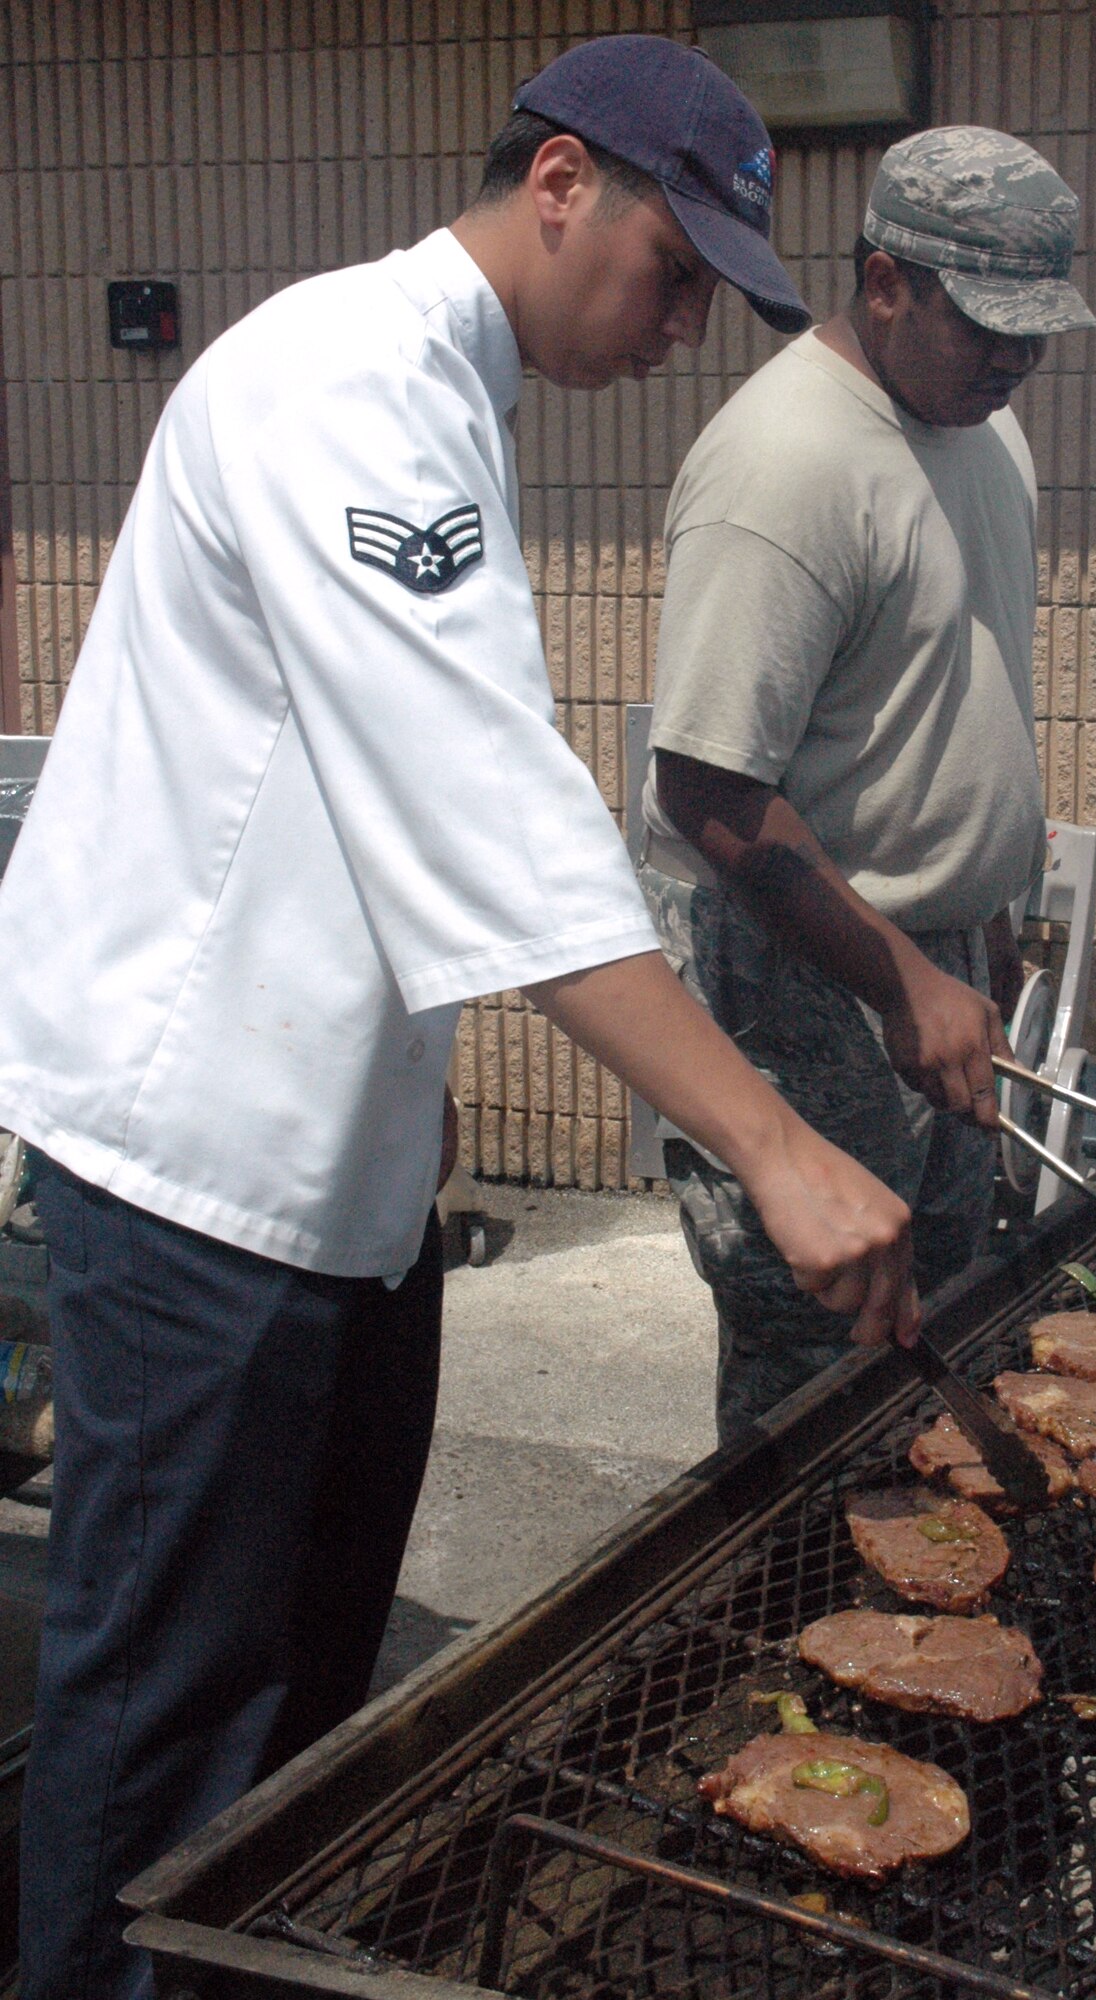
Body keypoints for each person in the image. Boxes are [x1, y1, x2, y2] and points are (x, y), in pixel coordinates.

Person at [0, 38, 921, 2000]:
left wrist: (404, 1095)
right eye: (677, 271)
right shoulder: (349, 382)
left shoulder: (451, 398)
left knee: (298, 1716)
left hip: (327, 1167)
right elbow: (487, 812)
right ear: (562, 181)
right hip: (191, 1171)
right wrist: (771, 1139)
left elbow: (360, 797)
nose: (680, 329)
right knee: (169, 1707)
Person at [640, 127, 1096, 1442]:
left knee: (944, 1310)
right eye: (986, 327)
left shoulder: (985, 433)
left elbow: (961, 695)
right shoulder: (783, 462)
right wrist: (900, 980)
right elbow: (707, 788)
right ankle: (788, 1620)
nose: (1015, 362)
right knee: (821, 1353)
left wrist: (984, 943)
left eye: (1035, 333)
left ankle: (920, 1608)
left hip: (943, 958)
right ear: (885, 281)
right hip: (808, 979)